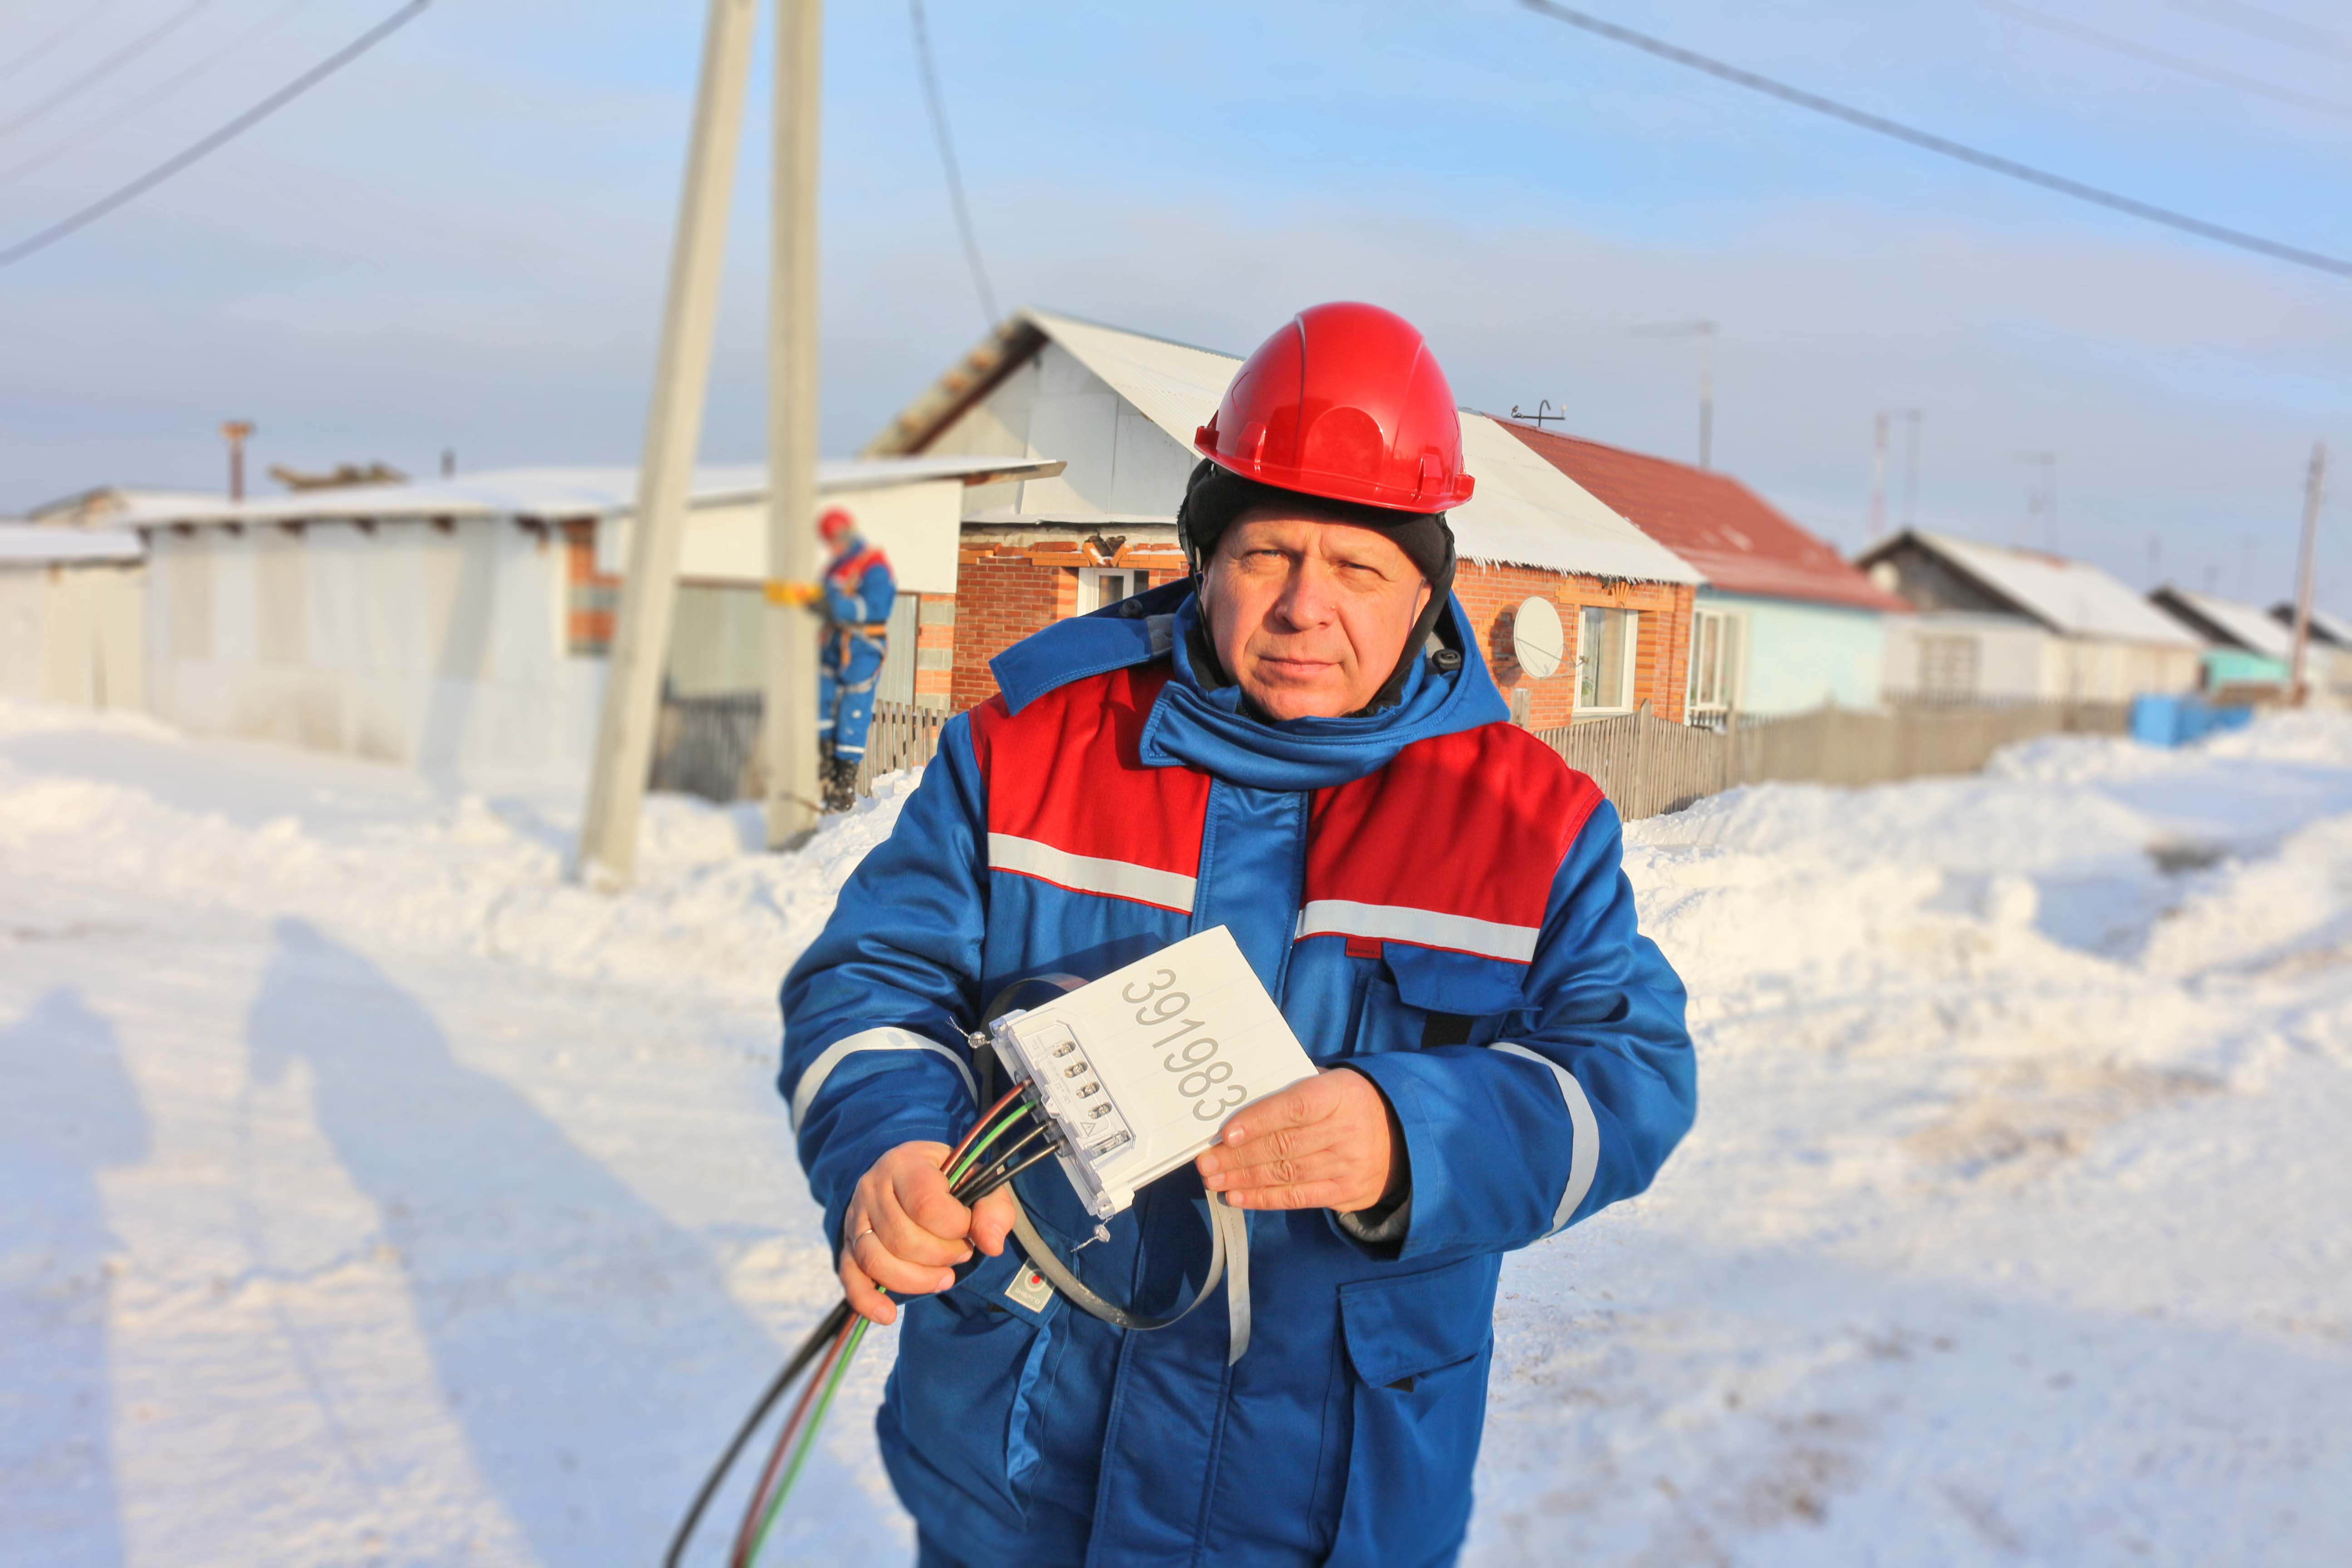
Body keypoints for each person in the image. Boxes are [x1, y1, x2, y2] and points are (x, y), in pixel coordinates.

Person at [780, 303, 1696, 1566]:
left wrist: (1405, 1134)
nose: (1305, 607)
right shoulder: (1028, 746)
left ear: (1425, 587)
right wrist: (891, 1144)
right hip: (1022, 1462)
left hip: (1326, 1495)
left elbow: (1631, 1079)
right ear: (1204, 556)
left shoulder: (1526, 822)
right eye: (1268, 554)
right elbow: (875, 982)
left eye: (1361, 567)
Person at [813, 506, 894, 812]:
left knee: (853, 711)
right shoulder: (836, 567)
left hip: (862, 646)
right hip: (833, 643)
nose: (833, 545)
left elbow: (874, 608)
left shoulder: (874, 566)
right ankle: (823, 768)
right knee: (820, 700)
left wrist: (836, 606)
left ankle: (843, 786)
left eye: (835, 538)